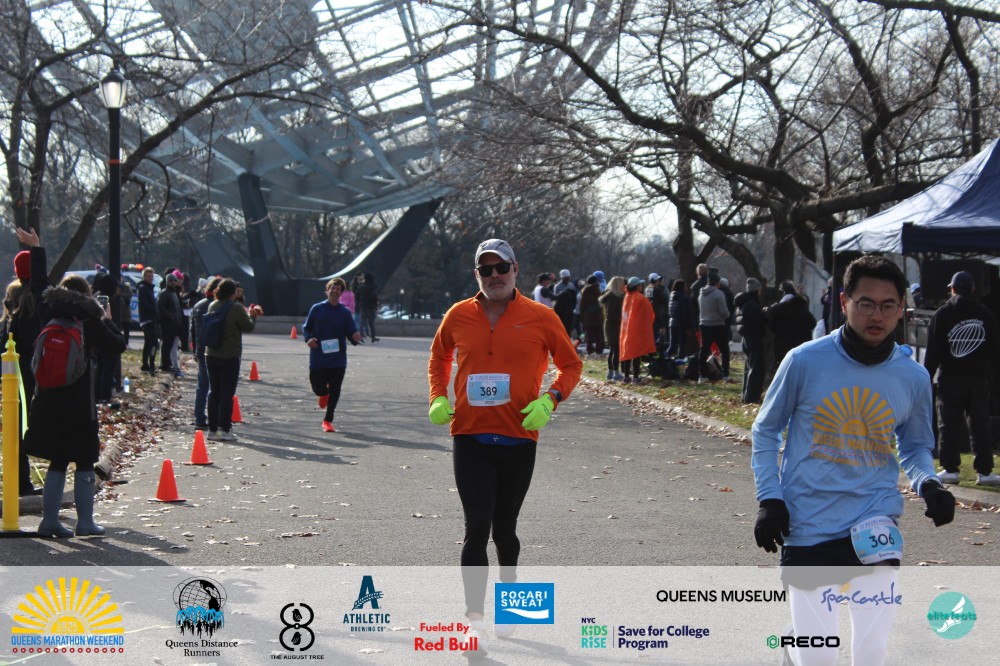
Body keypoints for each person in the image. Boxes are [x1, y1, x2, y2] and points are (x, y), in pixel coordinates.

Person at [751, 255, 955, 666]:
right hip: (807, 523)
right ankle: (796, 646)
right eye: (865, 303)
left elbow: (915, 446)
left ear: (902, 308)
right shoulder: (804, 361)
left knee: (871, 650)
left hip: (874, 522)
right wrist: (770, 498)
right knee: (819, 655)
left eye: (887, 305)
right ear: (844, 302)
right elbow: (765, 430)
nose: (876, 316)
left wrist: (929, 483)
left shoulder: (913, 377)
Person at [427, 238, 582, 657]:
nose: (494, 275)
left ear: (516, 269)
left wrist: (551, 400)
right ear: (476, 274)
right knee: (477, 527)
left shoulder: (542, 317)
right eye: (486, 269)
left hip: (518, 438)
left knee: (505, 530)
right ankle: (474, 622)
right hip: (471, 436)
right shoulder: (458, 314)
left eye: (501, 267)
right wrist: (438, 396)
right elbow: (439, 357)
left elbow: (571, 364)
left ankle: (510, 606)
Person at [25, 275, 126, 537]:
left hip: (47, 400)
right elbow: (118, 345)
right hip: (79, 404)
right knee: (84, 460)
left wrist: (37, 255)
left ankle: (49, 520)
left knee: (57, 460)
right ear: (87, 295)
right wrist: (108, 320)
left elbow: (38, 284)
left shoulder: (49, 312)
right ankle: (85, 522)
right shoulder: (89, 320)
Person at [924, 271, 1000, 487]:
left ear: (953, 289)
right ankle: (984, 472)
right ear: (973, 289)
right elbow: (995, 351)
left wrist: (926, 378)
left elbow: (934, 351)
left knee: (948, 424)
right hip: (978, 378)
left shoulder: (943, 313)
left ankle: (950, 469)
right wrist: (994, 382)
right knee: (980, 425)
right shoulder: (985, 314)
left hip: (950, 377)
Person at [0, 228, 46, 495]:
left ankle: (19, 481)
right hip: (31, 373)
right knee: (30, 427)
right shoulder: (36, 303)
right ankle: (26, 482)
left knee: (16, 429)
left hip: (11, 375)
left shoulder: (11, 303)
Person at [205, 278, 263, 441]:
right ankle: (225, 429)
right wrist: (252, 316)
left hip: (211, 353)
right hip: (229, 355)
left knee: (214, 392)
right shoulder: (236, 307)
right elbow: (248, 326)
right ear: (232, 293)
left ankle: (212, 429)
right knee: (227, 393)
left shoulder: (212, 305)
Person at [303, 278, 361, 432]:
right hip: (318, 357)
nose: (335, 291)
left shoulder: (344, 313)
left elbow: (351, 333)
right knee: (318, 388)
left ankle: (328, 420)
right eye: (333, 288)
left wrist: (355, 337)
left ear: (341, 294)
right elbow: (306, 328)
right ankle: (323, 394)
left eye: (338, 289)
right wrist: (308, 339)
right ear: (327, 291)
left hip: (338, 359)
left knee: (335, 390)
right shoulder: (317, 309)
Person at [190, 276, 223, 429]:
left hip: (200, 347)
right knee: (216, 386)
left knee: (202, 385)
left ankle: (199, 417)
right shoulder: (215, 306)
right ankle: (216, 417)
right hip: (213, 349)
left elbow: (192, 329)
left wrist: (194, 349)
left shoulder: (198, 305)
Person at [766, 280, 816, 371]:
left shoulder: (778, 311)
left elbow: (772, 327)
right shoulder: (802, 308)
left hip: (782, 345)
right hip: (801, 345)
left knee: (784, 368)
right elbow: (812, 323)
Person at [620, 276, 656, 383]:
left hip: (626, 329)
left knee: (627, 353)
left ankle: (626, 377)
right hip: (636, 329)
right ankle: (636, 377)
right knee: (636, 354)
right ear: (637, 286)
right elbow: (650, 314)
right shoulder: (641, 298)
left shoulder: (627, 297)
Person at [735, 278, 766, 404]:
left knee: (748, 367)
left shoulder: (743, 304)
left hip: (746, 338)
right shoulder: (753, 305)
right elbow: (759, 321)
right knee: (756, 368)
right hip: (754, 337)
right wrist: (765, 315)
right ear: (756, 291)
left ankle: (746, 395)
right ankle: (752, 397)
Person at [696, 271, 731, 382]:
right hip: (718, 325)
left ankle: (702, 375)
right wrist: (728, 315)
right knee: (724, 350)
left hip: (704, 324)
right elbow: (724, 312)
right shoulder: (719, 294)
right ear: (716, 282)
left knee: (704, 350)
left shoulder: (701, 293)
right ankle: (725, 374)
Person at [599, 276, 626, 381]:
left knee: (613, 350)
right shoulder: (614, 297)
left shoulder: (611, 296)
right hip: (614, 326)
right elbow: (611, 313)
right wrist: (621, 320)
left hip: (611, 325)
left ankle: (611, 372)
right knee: (616, 349)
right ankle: (616, 372)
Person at [137, 266, 159, 374]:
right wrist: (155, 310)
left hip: (150, 319)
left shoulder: (149, 288)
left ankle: (145, 365)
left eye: (152, 276)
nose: (151, 278)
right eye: (148, 276)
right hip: (148, 319)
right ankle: (152, 365)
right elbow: (144, 304)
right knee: (154, 343)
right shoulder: (143, 288)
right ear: (144, 277)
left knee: (148, 343)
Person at [579, 275, 604, 355]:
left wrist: (582, 316)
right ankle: (599, 350)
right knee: (598, 334)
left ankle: (590, 350)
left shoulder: (585, 291)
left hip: (588, 316)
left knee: (589, 335)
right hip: (598, 316)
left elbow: (582, 305)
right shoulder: (598, 290)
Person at [667, 279, 691, 358]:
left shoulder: (672, 296)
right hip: (681, 324)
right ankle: (680, 361)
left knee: (672, 345)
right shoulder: (684, 298)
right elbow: (686, 313)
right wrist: (688, 327)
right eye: (685, 286)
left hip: (672, 322)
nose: (686, 287)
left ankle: (663, 359)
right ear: (682, 287)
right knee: (682, 346)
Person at [356, 271, 380, 343]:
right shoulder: (372, 287)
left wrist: (360, 303)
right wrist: (375, 305)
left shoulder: (361, 287)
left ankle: (360, 337)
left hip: (363, 306)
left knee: (362, 323)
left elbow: (357, 296)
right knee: (371, 323)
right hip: (371, 307)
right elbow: (374, 297)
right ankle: (373, 337)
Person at [645, 273, 669, 342]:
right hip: (658, 314)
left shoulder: (647, 289)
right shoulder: (657, 289)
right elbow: (664, 300)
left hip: (649, 314)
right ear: (656, 280)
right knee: (660, 335)